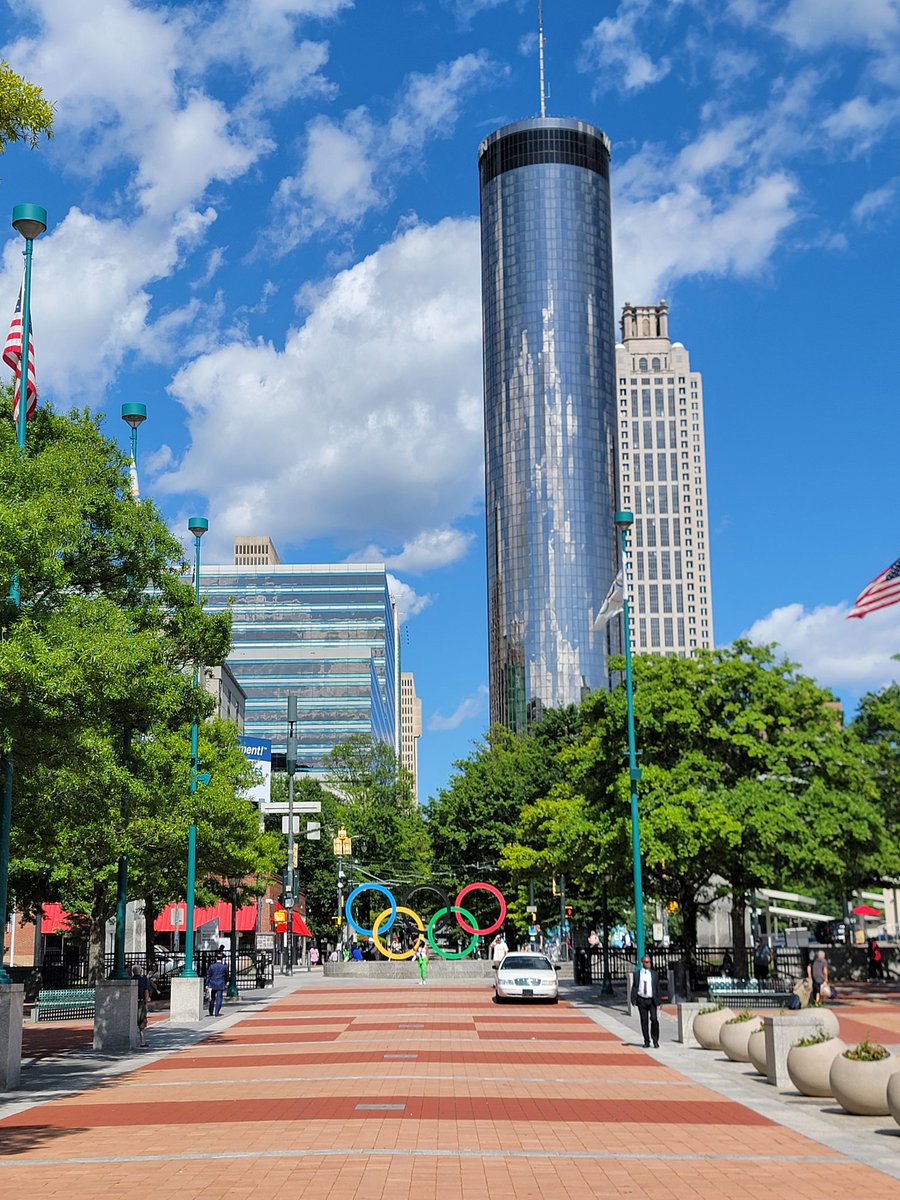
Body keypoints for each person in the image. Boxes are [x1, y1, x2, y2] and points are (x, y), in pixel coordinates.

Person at [630, 954, 661, 1048]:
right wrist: (633, 999)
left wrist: (659, 1001)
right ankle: (646, 1041)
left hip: (651, 1000)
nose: (649, 964)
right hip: (641, 1000)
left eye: (649, 962)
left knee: (654, 1019)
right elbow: (635, 987)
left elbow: (657, 987)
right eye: (647, 962)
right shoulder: (637, 974)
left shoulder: (654, 974)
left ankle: (655, 1040)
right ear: (642, 963)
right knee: (644, 1021)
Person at [132, 964, 156, 1047]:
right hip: (141, 1002)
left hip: (132, 1002)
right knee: (141, 1020)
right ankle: (142, 1040)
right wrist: (146, 1001)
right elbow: (146, 991)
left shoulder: (130, 979)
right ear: (140, 971)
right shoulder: (144, 980)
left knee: (133, 1020)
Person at [206, 952, 229, 1017]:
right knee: (219, 998)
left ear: (216, 958)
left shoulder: (212, 966)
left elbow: (208, 975)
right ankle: (217, 1012)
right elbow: (226, 976)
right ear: (222, 959)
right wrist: (225, 982)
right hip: (220, 983)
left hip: (212, 983)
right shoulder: (224, 967)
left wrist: (207, 984)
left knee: (212, 998)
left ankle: (211, 1011)